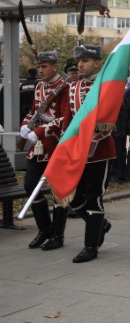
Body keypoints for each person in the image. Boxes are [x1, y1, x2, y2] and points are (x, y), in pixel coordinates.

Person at [44, 45, 115, 261]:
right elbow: (68, 119)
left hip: (99, 151)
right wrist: (64, 144)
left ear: (97, 63)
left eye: (85, 61)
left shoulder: (105, 87)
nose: (80, 65)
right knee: (72, 197)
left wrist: (90, 142)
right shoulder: (73, 88)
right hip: (75, 152)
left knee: (94, 198)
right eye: (79, 61)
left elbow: (110, 122)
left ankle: (90, 247)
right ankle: (100, 224)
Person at [19, 50, 69, 249]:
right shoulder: (39, 86)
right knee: (30, 185)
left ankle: (58, 236)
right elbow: (33, 111)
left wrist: (39, 132)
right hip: (38, 146)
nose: (41, 70)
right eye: (39, 67)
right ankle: (44, 229)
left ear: (54, 66)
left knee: (59, 191)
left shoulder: (64, 87)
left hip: (56, 145)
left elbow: (65, 118)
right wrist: (25, 124)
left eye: (44, 66)